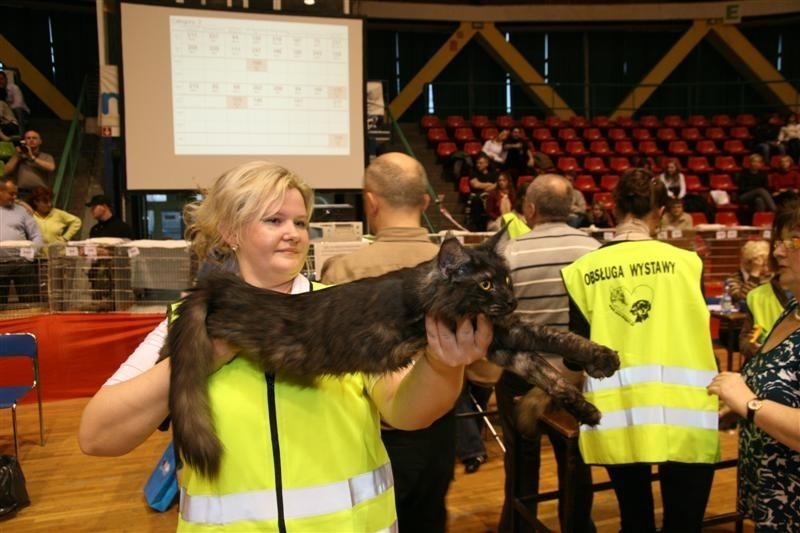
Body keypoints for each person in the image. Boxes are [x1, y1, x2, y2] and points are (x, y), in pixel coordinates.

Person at [79, 160, 493, 531]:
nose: (293, 234)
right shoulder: (185, 320)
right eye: (274, 220)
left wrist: (442, 365)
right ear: (231, 231)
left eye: (300, 222)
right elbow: (97, 437)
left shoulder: (345, 306)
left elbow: (406, 412)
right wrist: (203, 355)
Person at [562, 168, 720, 533]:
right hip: (686, 413)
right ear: (660, 213)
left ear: (613, 208)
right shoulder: (687, 263)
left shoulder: (583, 270)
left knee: (635, 520)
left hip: (619, 416)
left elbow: (576, 355)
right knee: (683, 523)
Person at [320, 152, 456, 532]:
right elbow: (483, 367)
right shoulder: (456, 270)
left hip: (370, 433)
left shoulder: (343, 271)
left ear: (371, 201)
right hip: (439, 431)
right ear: (425, 202)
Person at [496, 173, 600, 533]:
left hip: (523, 374)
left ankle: (519, 526)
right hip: (577, 377)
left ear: (530, 209)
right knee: (576, 461)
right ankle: (576, 527)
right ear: (571, 207)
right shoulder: (595, 250)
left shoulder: (510, 252)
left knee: (522, 464)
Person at [707, 205, 800, 531]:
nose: (777, 252)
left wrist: (749, 402)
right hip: (772, 499)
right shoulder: (791, 309)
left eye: (793, 242)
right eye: (779, 241)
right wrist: (732, 408)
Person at [0, 178, 44, 305]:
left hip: (23, 263)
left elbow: (37, 235)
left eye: (16, 194)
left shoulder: (22, 210)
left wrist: (30, 256)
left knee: (30, 302)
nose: (14, 197)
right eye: (11, 193)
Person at [3, 130, 56, 200]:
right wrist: (16, 156)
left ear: (40, 141)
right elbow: (6, 171)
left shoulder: (46, 156)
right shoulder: (18, 156)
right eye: (28, 138)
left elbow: (51, 167)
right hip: (22, 193)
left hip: (40, 193)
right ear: (24, 141)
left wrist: (32, 157)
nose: (31, 140)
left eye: (34, 138)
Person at [725, 239, 771, 307]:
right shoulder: (733, 278)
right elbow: (742, 299)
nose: (766, 269)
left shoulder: (768, 277)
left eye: (767, 264)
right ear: (748, 263)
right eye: (762, 265)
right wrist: (755, 273)